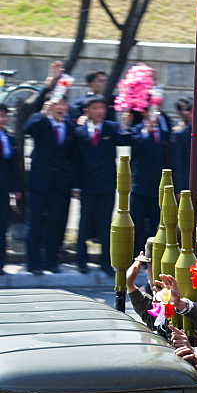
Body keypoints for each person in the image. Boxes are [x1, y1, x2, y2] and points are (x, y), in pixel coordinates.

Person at [72, 95, 129, 275]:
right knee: (84, 222)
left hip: (106, 184)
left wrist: (126, 123)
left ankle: (106, 262)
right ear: (87, 111)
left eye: (102, 108)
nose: (99, 111)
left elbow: (125, 139)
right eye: (95, 108)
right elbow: (76, 160)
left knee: (106, 224)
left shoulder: (111, 128)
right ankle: (81, 260)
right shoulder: (79, 132)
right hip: (87, 185)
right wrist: (76, 186)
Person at [24, 97, 76, 274]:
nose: (61, 108)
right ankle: (33, 262)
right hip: (40, 181)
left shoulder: (69, 127)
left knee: (56, 222)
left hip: (60, 183)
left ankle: (51, 260)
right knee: (36, 222)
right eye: (57, 104)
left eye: (64, 104)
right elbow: (28, 129)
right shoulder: (41, 122)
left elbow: (72, 155)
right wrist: (43, 113)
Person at [125, 106, 171, 255]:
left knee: (154, 223)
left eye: (157, 111)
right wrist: (146, 130)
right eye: (151, 111)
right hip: (140, 185)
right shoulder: (137, 130)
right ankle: (135, 253)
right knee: (137, 221)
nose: (155, 114)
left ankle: (151, 254)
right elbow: (135, 145)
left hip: (158, 185)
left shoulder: (164, 131)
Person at [171, 97, 197, 194]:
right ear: (189, 113)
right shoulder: (180, 134)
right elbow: (177, 164)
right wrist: (179, 189)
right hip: (187, 185)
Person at [0, 106, 22, 275]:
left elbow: (15, 166)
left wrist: (17, 188)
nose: (3, 119)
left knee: (2, 226)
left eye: (5, 116)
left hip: (4, 188)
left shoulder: (9, 138)